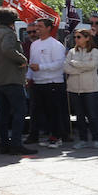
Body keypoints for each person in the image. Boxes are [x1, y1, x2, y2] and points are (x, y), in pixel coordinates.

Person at [0, 7, 36, 155]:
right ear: (11, 21)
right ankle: (16, 144)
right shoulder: (8, 33)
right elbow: (7, 49)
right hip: (11, 79)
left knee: (3, 113)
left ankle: (5, 144)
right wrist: (23, 59)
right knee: (19, 111)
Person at [27, 17, 67, 148]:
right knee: (35, 111)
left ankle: (56, 137)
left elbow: (60, 64)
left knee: (53, 112)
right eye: (36, 26)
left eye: (40, 26)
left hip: (53, 82)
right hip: (37, 83)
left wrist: (41, 67)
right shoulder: (34, 44)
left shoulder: (55, 45)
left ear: (49, 28)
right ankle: (34, 136)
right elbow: (31, 62)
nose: (37, 29)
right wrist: (29, 77)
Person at [64, 27, 98, 148]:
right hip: (74, 88)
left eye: (79, 37)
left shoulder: (95, 52)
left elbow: (92, 66)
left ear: (87, 38)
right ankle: (82, 139)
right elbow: (66, 68)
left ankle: (96, 138)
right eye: (75, 37)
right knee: (79, 115)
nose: (76, 39)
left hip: (90, 88)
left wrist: (75, 64)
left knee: (92, 114)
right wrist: (81, 69)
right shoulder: (72, 52)